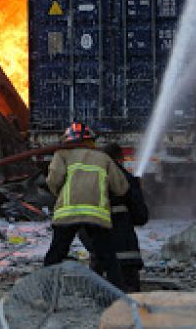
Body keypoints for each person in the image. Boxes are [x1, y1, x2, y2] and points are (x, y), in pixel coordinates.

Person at [44, 122, 129, 290]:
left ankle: (45, 294)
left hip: (68, 212)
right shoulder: (103, 158)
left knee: (56, 255)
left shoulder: (62, 155)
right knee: (107, 256)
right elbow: (121, 187)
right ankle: (119, 294)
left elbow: (53, 180)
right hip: (96, 214)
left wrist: (60, 194)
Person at [90, 143, 149, 292]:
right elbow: (141, 217)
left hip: (101, 256)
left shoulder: (91, 181)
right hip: (127, 253)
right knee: (130, 300)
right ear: (120, 159)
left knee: (103, 300)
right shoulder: (128, 180)